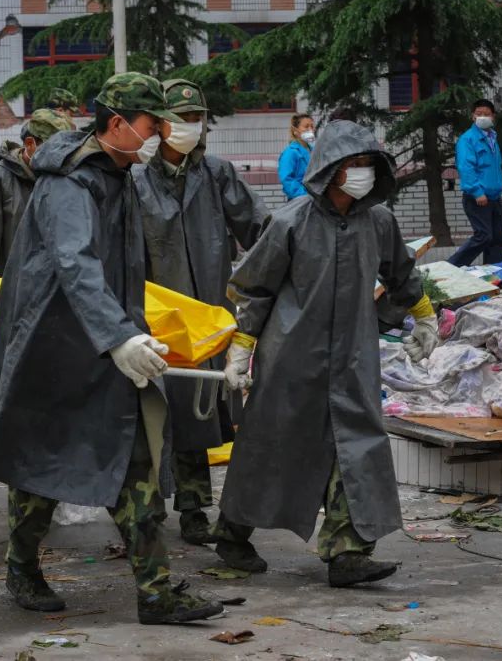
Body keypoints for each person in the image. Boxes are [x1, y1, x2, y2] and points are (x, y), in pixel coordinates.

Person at [0, 73, 223, 624]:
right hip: (54, 350)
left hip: (107, 345)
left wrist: (129, 331)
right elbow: (74, 264)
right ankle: (22, 565)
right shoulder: (70, 184)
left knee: (134, 464)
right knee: (42, 466)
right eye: (153, 125)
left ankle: (155, 592)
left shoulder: (117, 173)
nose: (159, 136)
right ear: (117, 124)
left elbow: (123, 266)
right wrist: (120, 336)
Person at [213, 120, 439, 586]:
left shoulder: (378, 222)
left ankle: (347, 552)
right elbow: (254, 290)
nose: (362, 174)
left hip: (353, 357)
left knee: (356, 449)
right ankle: (233, 533)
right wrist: (241, 348)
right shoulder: (290, 222)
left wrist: (425, 316)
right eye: (354, 165)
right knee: (270, 448)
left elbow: (402, 274)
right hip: (293, 358)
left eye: (368, 166)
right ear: (331, 170)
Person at [131, 79, 268, 545]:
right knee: (146, 415)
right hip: (151, 320)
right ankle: (141, 512)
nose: (190, 127)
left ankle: (193, 509)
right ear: (158, 124)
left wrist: (259, 283)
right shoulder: (133, 181)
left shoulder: (217, 174)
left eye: (197, 118)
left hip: (206, 319)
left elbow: (262, 233)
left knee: (195, 413)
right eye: (180, 119)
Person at [0, 108, 72, 275]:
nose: (61, 158)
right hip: (9, 292)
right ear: (30, 144)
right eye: (55, 149)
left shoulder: (62, 180)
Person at [447, 99, 502, 267]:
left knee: (498, 238)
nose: (482, 117)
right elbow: (466, 167)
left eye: (486, 114)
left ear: (493, 116)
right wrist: (477, 191)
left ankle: (494, 272)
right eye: (479, 114)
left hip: (494, 196)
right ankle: (451, 266)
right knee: (484, 235)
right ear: (473, 116)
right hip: (478, 197)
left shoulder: (492, 138)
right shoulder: (468, 139)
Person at [278, 113, 314, 200]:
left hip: (315, 199)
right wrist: (304, 195)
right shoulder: (290, 153)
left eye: (312, 126)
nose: (310, 130)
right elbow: (287, 180)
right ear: (295, 130)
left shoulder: (314, 150)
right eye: (306, 126)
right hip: (300, 201)